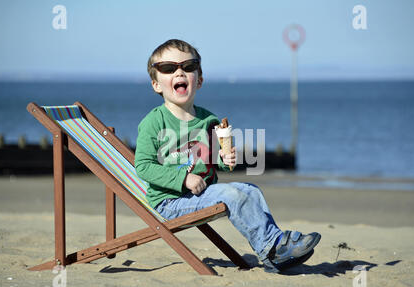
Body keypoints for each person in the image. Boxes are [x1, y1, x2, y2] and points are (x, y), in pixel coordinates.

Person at [134, 39, 321, 273]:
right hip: (170, 201)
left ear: (199, 80)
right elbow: (143, 166)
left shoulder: (208, 120)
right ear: (156, 84)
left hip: (202, 193)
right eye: (169, 68)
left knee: (251, 189)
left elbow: (214, 161)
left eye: (188, 66)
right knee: (232, 194)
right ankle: (272, 249)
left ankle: (274, 246)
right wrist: (183, 179)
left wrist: (226, 160)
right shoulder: (154, 122)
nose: (179, 71)